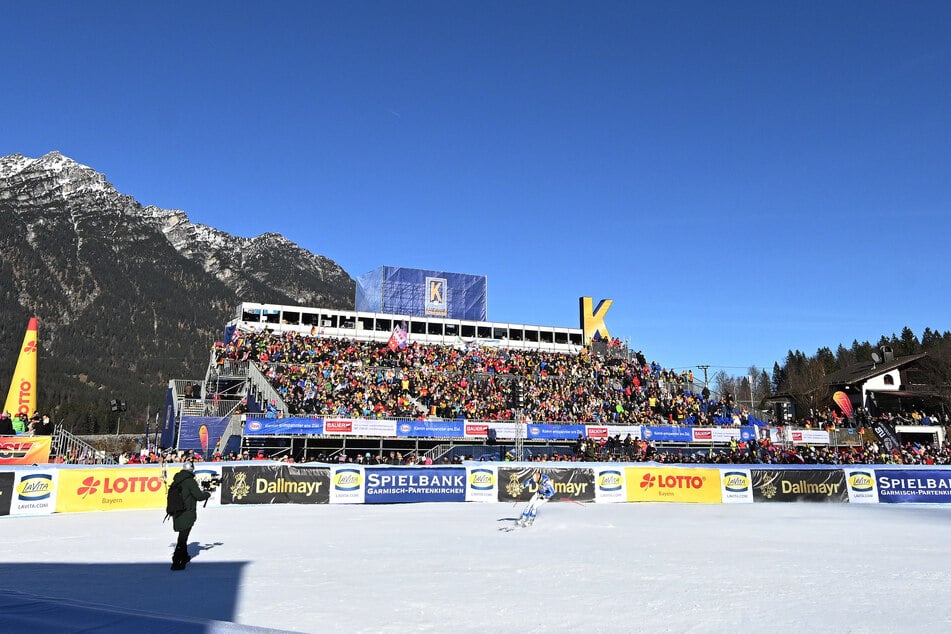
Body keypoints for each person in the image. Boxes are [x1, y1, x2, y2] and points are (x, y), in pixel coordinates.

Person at [170, 461, 211, 570]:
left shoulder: (177, 480)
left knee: (183, 535)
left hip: (177, 511)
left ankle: (184, 557)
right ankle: (176, 561)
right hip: (186, 512)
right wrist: (208, 493)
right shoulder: (190, 481)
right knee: (183, 538)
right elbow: (199, 496)